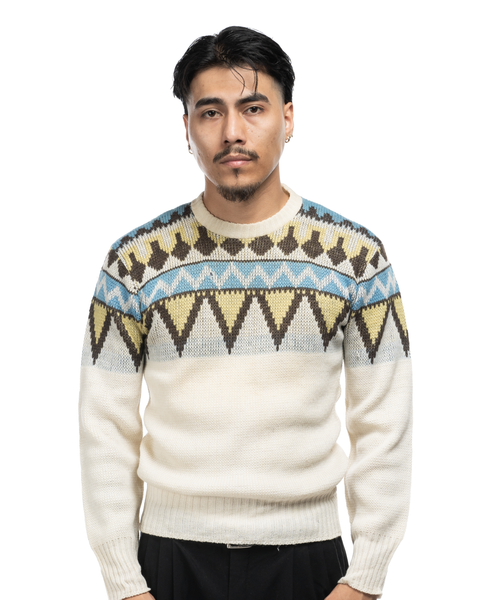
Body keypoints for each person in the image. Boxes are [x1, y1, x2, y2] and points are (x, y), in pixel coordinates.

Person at [79, 25, 412, 600]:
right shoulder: (134, 262)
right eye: (210, 112)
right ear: (187, 128)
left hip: (310, 562)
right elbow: (104, 428)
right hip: (169, 559)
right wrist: (124, 583)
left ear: (288, 118)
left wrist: (365, 579)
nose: (232, 131)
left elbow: (385, 423)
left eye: (253, 108)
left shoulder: (357, 257)